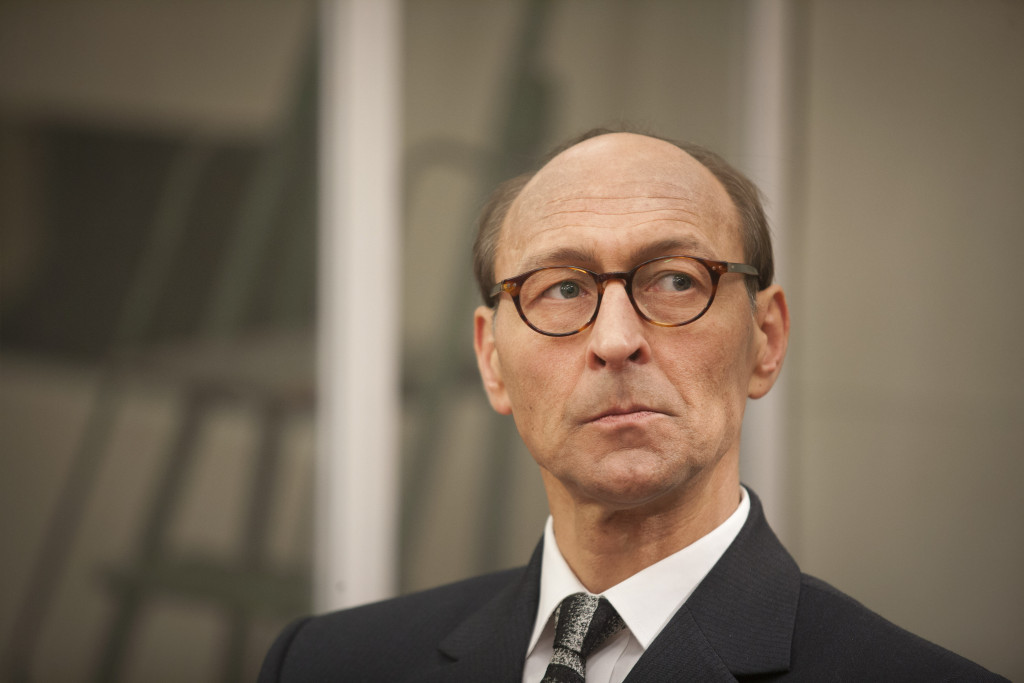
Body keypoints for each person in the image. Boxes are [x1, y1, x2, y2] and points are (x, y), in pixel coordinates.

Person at [259, 129, 1006, 682]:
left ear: (766, 339)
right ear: (491, 360)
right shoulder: (325, 664)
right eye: (561, 288)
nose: (615, 341)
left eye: (676, 280)